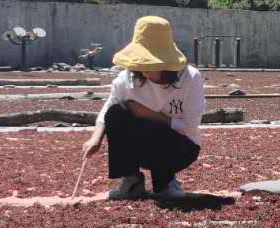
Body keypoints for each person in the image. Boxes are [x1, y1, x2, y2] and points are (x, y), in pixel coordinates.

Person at [83, 16, 206, 200]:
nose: (144, 70)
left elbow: (189, 127)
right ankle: (131, 181)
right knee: (117, 112)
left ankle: (165, 182)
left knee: (154, 128)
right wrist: (96, 138)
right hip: (141, 146)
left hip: (180, 148)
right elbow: (109, 107)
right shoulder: (126, 79)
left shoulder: (190, 78)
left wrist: (147, 113)